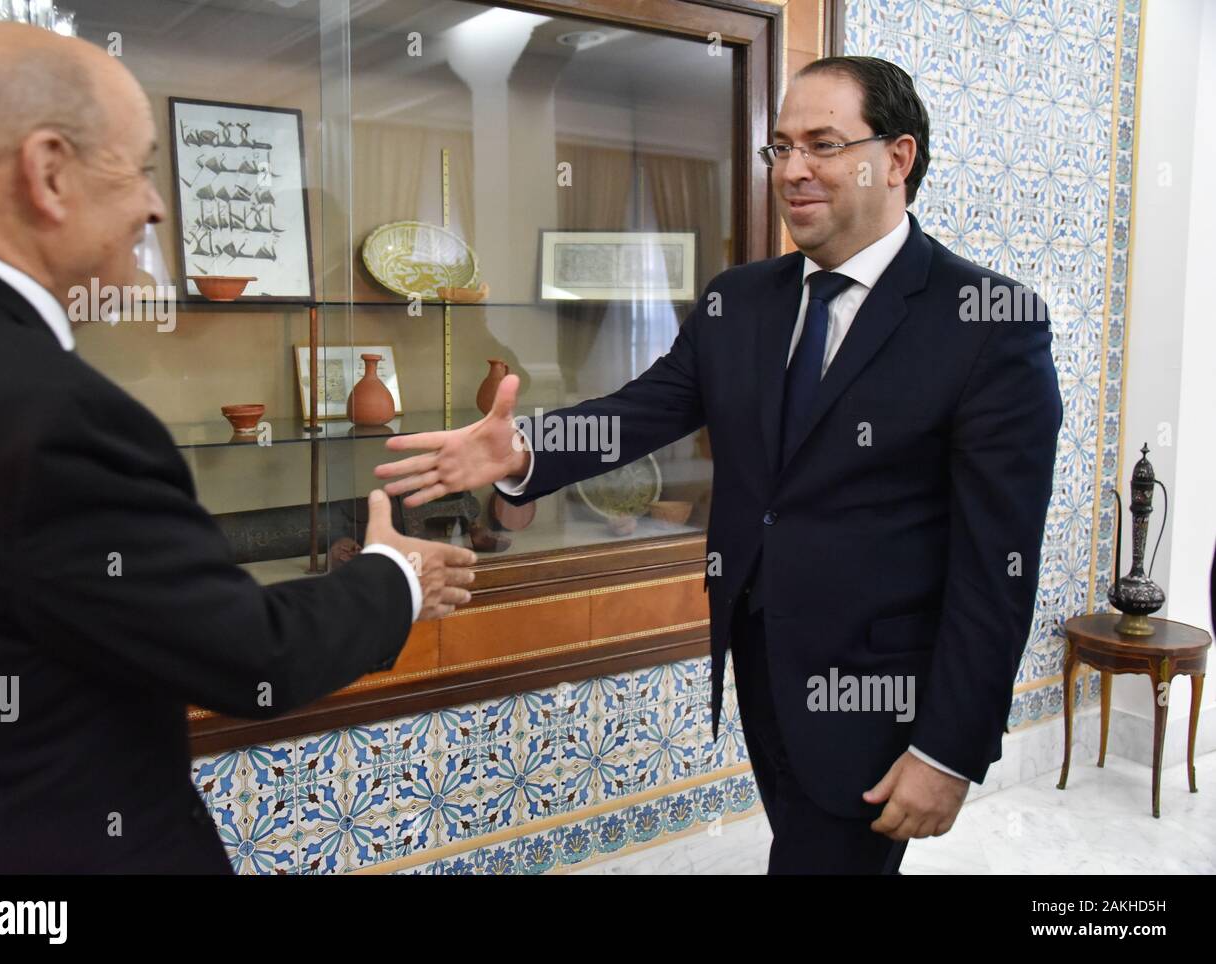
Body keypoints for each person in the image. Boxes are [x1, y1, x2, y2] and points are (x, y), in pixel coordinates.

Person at [375, 56, 1063, 874]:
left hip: (881, 694)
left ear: (898, 158)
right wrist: (524, 449)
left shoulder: (988, 323)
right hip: (759, 660)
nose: (793, 170)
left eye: (823, 145)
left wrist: (948, 750)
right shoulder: (740, 299)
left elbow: (998, 567)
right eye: (780, 147)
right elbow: (640, 414)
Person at [0, 23, 476, 873]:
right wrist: (394, 575)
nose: (157, 206)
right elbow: (249, 656)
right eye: (141, 166)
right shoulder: (58, 415)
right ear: (50, 171)